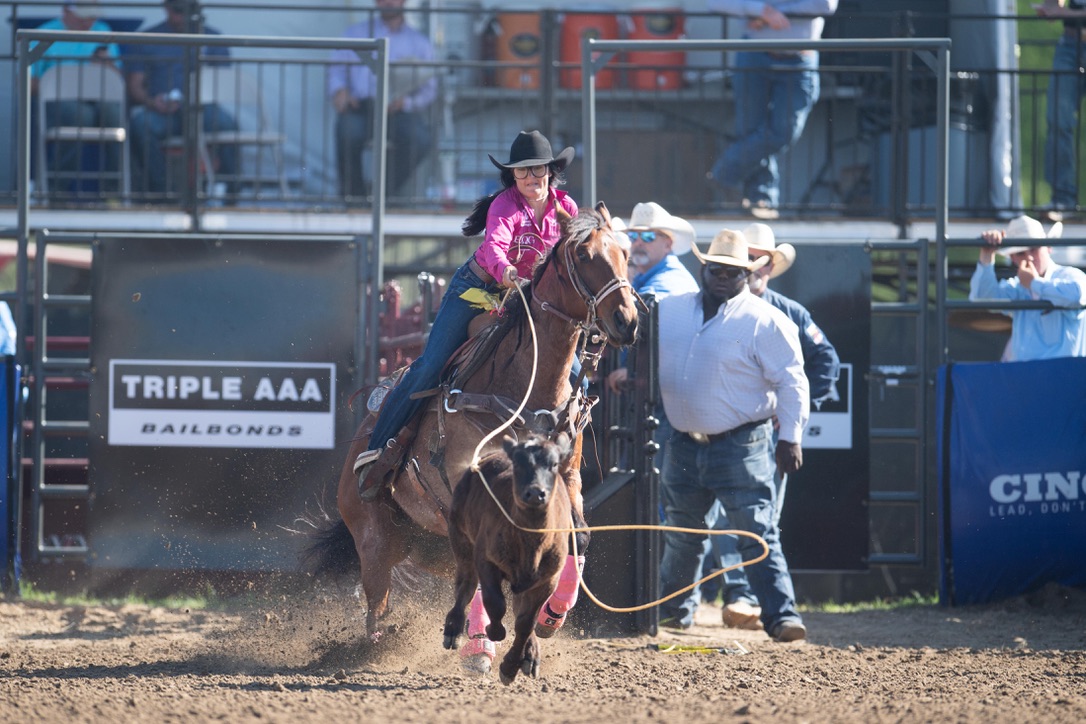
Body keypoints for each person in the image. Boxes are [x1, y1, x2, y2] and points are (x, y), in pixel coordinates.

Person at [655, 228, 809, 642]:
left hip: (741, 444)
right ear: (703, 270)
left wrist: (790, 437)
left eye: (733, 272)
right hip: (684, 440)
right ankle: (672, 614)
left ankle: (782, 616)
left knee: (755, 532)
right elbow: (640, 347)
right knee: (683, 533)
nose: (723, 277)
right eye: (717, 270)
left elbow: (792, 382)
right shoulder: (669, 310)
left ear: (747, 275)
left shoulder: (766, 320)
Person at [700, 222, 840, 630]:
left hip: (767, 434)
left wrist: (794, 409)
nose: (755, 267)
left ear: (769, 267)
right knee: (726, 517)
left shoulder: (788, 312)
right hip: (727, 430)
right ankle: (739, 594)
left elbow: (826, 360)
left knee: (761, 517)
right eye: (749, 259)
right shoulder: (716, 308)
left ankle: (747, 597)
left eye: (761, 261)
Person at [705, 0, 839, 220]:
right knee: (752, 129)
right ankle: (762, 198)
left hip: (799, 59)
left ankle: (724, 173)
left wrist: (773, 15)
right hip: (753, 53)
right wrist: (760, 11)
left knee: (784, 131)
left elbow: (825, 5)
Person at [124, 0, 238, 201]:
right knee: (141, 125)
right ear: (166, 8)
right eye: (179, 10)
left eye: (190, 10)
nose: (185, 16)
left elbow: (222, 84)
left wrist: (196, 98)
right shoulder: (146, 38)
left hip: (203, 109)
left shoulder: (212, 38)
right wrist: (152, 102)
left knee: (228, 125)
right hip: (162, 112)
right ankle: (162, 193)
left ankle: (229, 192)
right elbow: (135, 85)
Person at [328, 0, 436, 201]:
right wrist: (340, 91)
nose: (389, 1)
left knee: (420, 139)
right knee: (347, 134)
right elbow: (336, 71)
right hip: (361, 106)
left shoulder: (420, 42)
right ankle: (353, 198)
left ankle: (380, 194)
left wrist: (406, 103)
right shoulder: (354, 33)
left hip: (397, 110)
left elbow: (429, 89)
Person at [605, 201, 699, 396]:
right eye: (633, 236)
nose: (638, 242)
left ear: (668, 244)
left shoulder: (671, 280)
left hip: (664, 394)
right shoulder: (648, 277)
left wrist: (633, 371)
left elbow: (637, 315)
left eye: (648, 236)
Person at [30, 0, 123, 194]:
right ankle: (57, 190)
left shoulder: (104, 31)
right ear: (66, 10)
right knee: (80, 115)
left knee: (115, 116)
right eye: (83, 16)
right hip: (57, 104)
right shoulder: (43, 34)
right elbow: (27, 83)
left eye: (92, 16)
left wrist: (107, 66)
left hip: (99, 101)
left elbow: (117, 79)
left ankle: (114, 191)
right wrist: (61, 85)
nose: (88, 21)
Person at [969, 214, 1086, 361]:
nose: (1029, 257)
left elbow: (1078, 295)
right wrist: (986, 255)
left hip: (1061, 373)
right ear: (1013, 258)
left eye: (1034, 248)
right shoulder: (1018, 286)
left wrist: (1034, 283)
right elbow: (982, 298)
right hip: (1028, 373)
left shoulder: (1069, 275)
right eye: (1021, 253)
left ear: (1048, 247)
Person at [1035, 0, 1086, 222]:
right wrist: (1050, 8)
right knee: (1058, 120)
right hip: (1070, 44)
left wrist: (1063, 12)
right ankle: (1062, 199)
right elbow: (1057, 5)